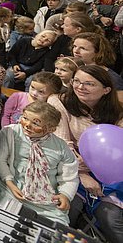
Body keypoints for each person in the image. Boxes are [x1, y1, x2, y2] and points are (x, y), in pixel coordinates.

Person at [48, 65, 123, 241]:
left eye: (89, 84)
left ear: (106, 90)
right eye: (77, 81)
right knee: (67, 209)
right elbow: (62, 144)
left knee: (110, 218)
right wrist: (81, 174)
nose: (80, 87)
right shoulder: (59, 101)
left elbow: (117, 151)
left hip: (108, 175)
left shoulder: (118, 112)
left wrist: (97, 171)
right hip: (68, 168)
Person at [0, 101, 79, 224]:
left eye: (35, 123)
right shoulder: (10, 132)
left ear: (51, 129)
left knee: (55, 229)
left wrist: (65, 194)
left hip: (47, 201)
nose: (27, 125)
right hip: (14, 191)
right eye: (25, 118)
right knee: (7, 222)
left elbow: (70, 176)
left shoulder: (60, 147)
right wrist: (10, 183)